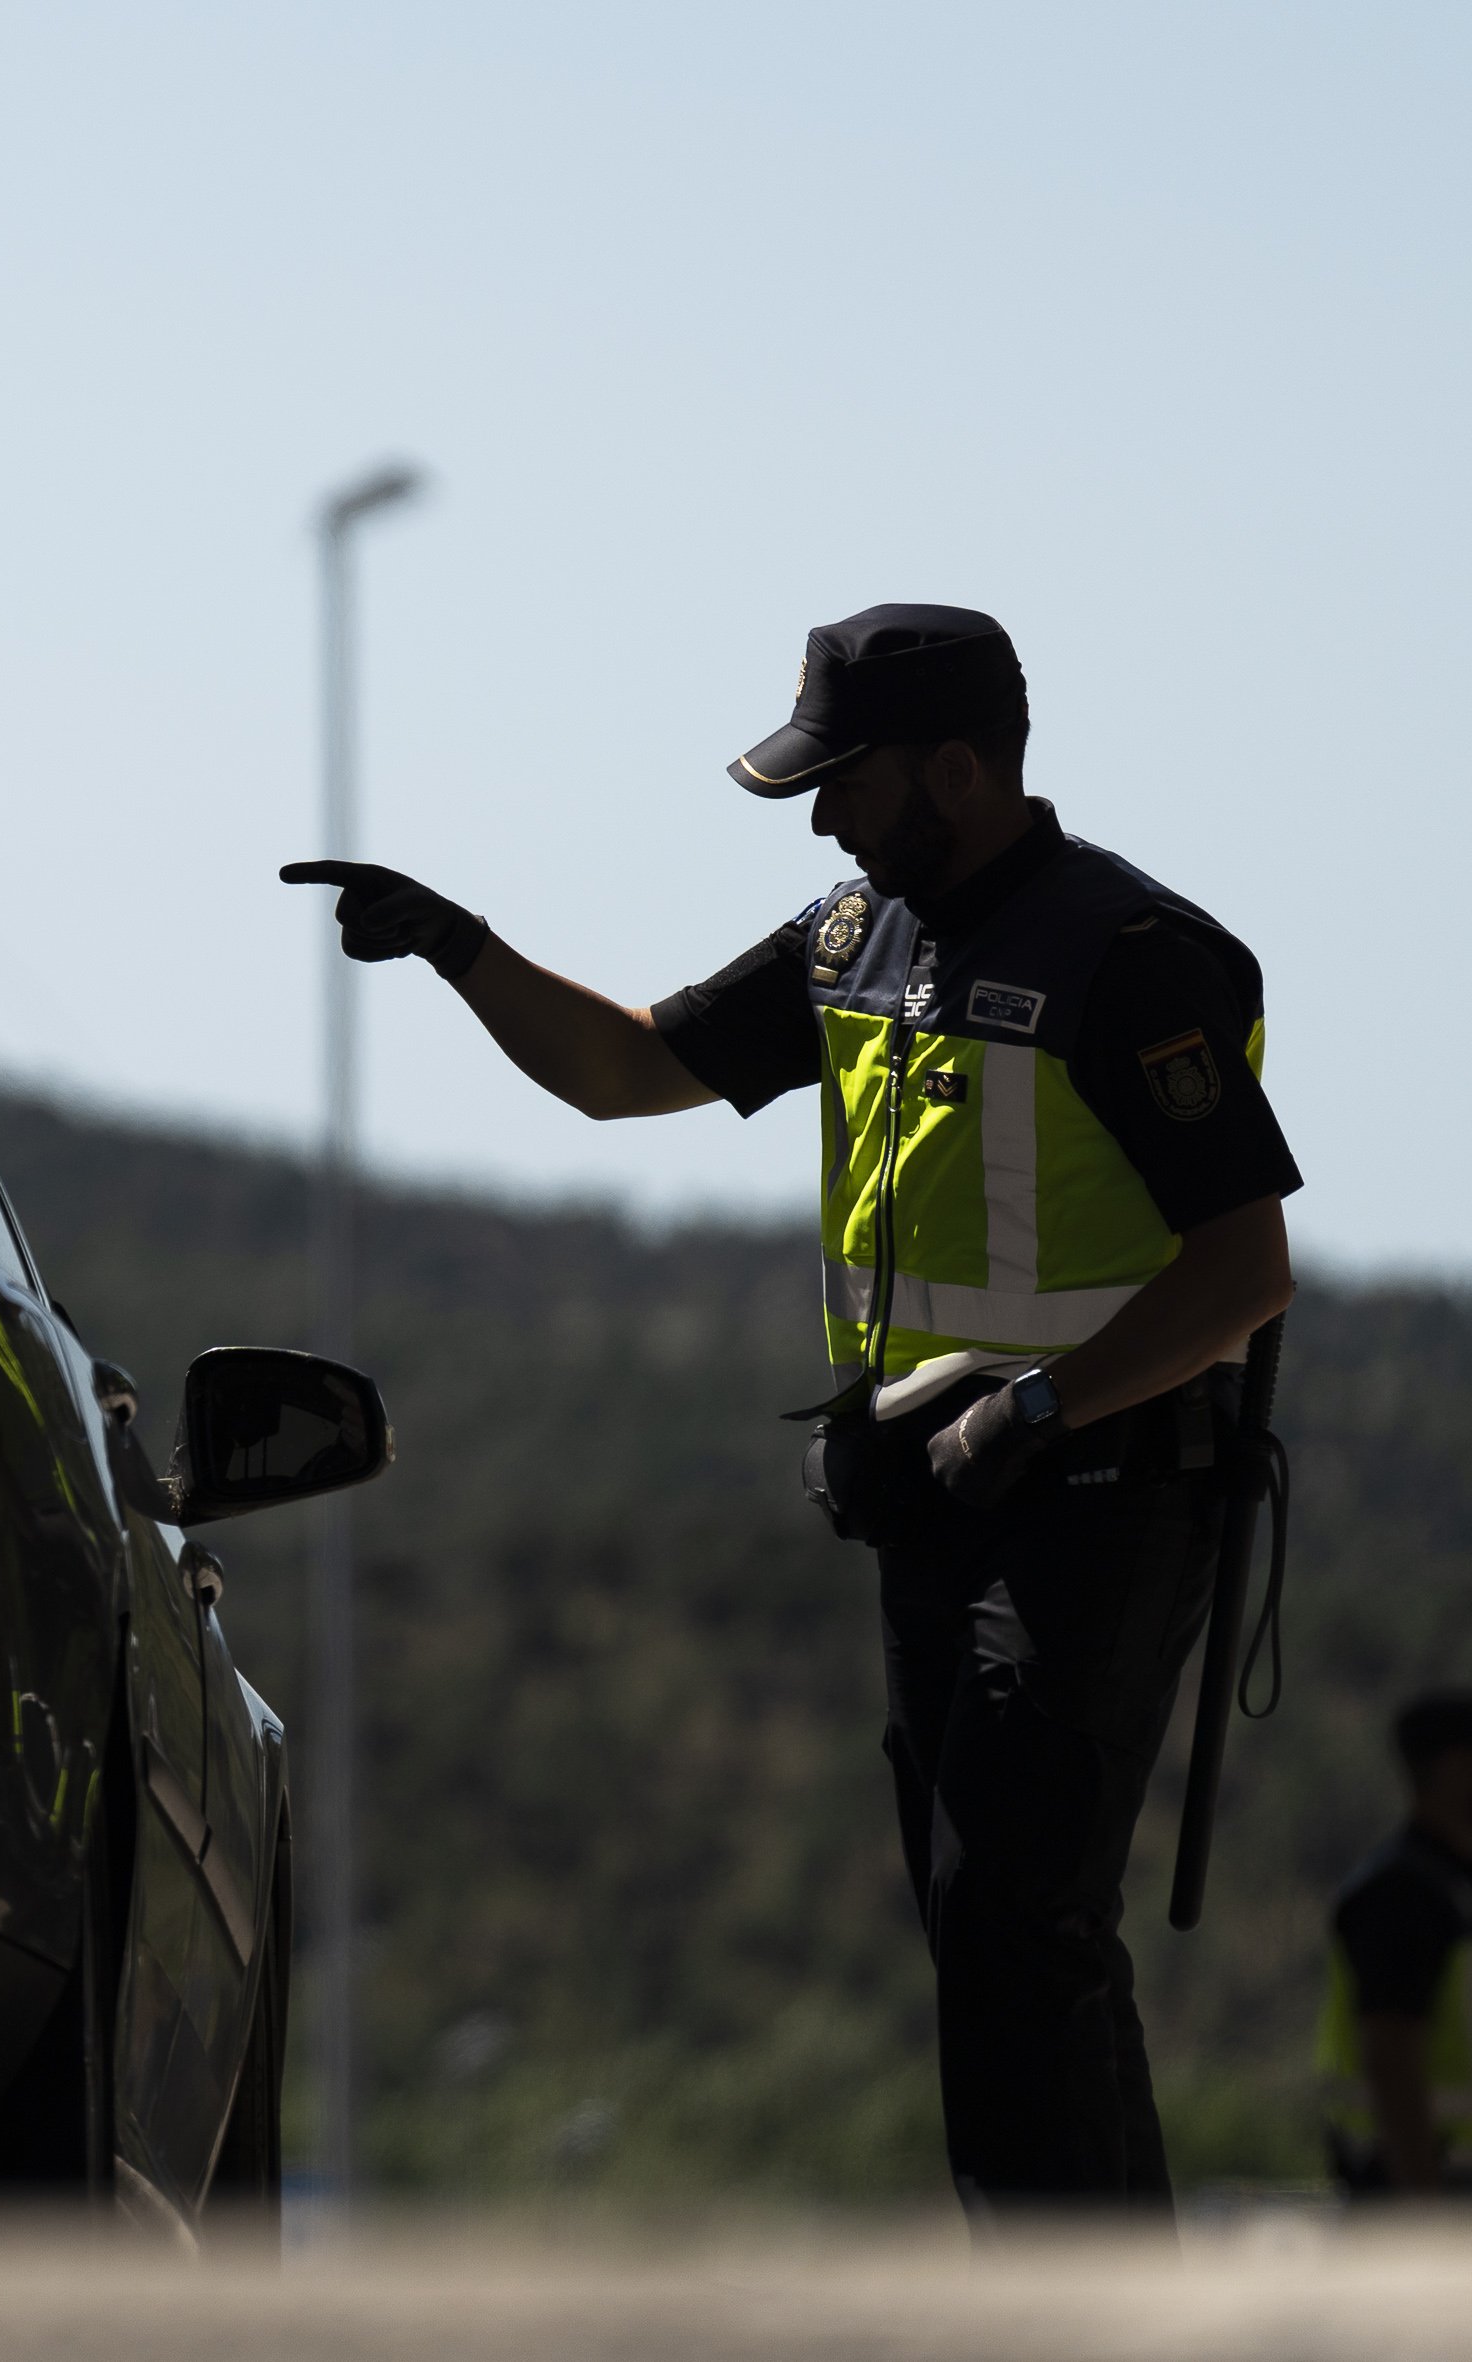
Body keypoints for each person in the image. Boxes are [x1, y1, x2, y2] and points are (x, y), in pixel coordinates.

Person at [284, 604, 1300, 2219]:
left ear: (956, 769)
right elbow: (625, 1070)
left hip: (1101, 1485)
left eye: (846, 781)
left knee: (1011, 1921)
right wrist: (458, 942)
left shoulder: (1128, 959)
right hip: (935, 1494)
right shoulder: (852, 940)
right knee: (996, 1932)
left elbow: (1244, 1266)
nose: (822, 816)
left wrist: (1040, 1406)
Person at [1318, 1690, 1472, 2202]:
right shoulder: (1404, 1894)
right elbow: (1392, 2057)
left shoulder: (1471, 1887)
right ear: (1457, 1768)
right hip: (1424, 2223)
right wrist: (1428, 2218)